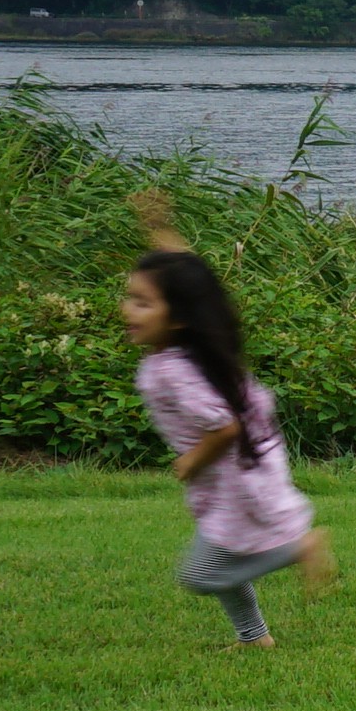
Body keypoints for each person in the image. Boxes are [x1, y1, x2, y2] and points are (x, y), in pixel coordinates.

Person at [119, 217, 333, 648]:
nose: (128, 309)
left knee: (201, 575)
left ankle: (298, 548)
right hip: (247, 461)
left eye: (143, 303)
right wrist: (161, 232)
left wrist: (192, 460)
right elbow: (194, 285)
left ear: (177, 318)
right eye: (130, 297)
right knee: (225, 551)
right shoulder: (187, 349)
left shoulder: (171, 372)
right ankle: (254, 638)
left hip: (236, 468)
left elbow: (224, 426)